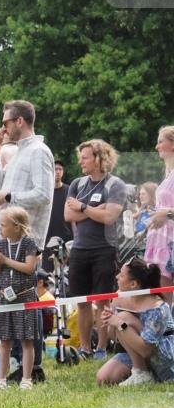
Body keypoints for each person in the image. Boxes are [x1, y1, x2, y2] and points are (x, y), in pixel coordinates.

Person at [64, 139, 127, 360]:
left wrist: (82, 207)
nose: (81, 161)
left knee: (102, 301)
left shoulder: (115, 185)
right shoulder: (77, 184)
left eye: (86, 157)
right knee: (81, 301)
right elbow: (68, 216)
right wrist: (94, 209)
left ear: (100, 159)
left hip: (105, 249)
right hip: (80, 249)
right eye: (80, 157)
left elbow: (109, 217)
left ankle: (101, 347)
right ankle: (85, 347)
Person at [0, 207, 42, 390]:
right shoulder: (0, 244)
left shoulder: (29, 243)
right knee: (4, 340)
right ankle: (1, 379)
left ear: (17, 227)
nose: (0, 228)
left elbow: (29, 268)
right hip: (5, 299)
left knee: (27, 340)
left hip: (25, 297)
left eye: (3, 225)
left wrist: (4, 260)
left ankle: (26, 378)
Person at [0, 100, 54, 248]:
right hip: (5, 242)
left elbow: (43, 195)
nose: (3, 129)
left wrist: (8, 196)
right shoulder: (19, 152)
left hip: (24, 245)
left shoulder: (38, 151)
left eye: (5, 123)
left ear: (19, 121)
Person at [97, 259, 174, 386]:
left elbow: (146, 350)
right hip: (135, 352)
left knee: (124, 317)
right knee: (103, 379)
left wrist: (119, 323)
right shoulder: (119, 298)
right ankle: (141, 371)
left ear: (133, 284)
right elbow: (114, 337)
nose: (117, 277)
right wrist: (110, 320)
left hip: (163, 359)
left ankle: (142, 373)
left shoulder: (158, 308)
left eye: (121, 275)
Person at [145, 126, 174, 296]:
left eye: (160, 142)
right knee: (162, 297)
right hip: (161, 240)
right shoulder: (168, 175)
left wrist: (167, 213)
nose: (156, 147)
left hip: (170, 241)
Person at [44, 160, 72, 270]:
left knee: (65, 274)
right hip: (47, 239)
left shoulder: (69, 190)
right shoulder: (45, 191)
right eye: (55, 169)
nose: (58, 172)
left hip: (66, 239)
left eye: (60, 169)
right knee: (47, 276)